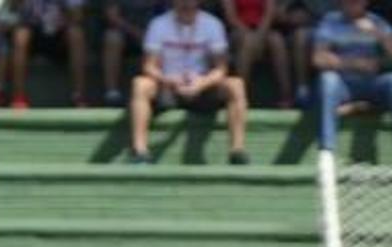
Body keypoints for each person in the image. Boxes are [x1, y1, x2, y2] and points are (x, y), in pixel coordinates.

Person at [128, 0, 251, 164]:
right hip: (168, 87)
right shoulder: (158, 24)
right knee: (140, 84)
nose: (186, 4)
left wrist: (201, 83)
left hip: (202, 87)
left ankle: (237, 150)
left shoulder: (212, 24)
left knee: (235, 84)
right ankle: (140, 150)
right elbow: (149, 66)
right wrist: (168, 80)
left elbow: (221, 68)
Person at [312, 0, 392, 162]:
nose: (352, 3)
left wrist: (378, 34)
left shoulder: (377, 22)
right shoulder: (331, 21)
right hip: (343, 83)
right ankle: (327, 151)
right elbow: (318, 59)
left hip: (373, 83)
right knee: (327, 80)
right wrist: (354, 64)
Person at [2, 0, 90, 108]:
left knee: (76, 34)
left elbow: (78, 17)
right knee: (20, 36)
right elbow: (13, 10)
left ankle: (79, 95)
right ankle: (18, 96)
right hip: (34, 34)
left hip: (60, 35)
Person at [225, 0, 295, 107]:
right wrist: (248, 34)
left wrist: (259, 35)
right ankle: (240, 96)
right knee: (247, 42)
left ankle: (286, 96)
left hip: (262, 29)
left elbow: (269, 13)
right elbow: (231, 17)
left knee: (277, 40)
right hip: (238, 31)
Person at [100, 0, 162, 107]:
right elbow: (112, 17)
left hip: (157, 33)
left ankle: (159, 93)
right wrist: (137, 33)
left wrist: (151, 35)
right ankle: (112, 93)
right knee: (112, 37)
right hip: (126, 32)